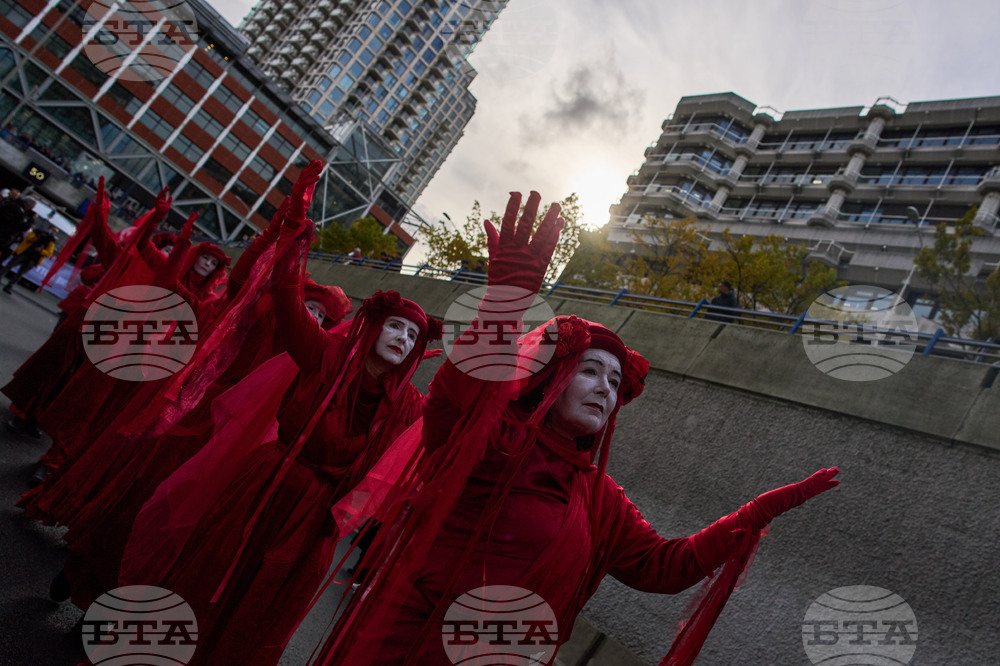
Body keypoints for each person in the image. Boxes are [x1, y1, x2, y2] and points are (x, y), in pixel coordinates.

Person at [315, 191, 840, 666]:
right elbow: (459, 396)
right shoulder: (492, 439)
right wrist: (504, 301)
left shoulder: (600, 495)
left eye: (614, 382)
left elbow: (664, 567)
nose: (605, 389)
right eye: (589, 371)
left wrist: (755, 513)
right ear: (552, 378)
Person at [118, 160, 442, 666]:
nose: (403, 339)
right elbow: (287, 296)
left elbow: (461, 408)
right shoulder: (324, 356)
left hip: (317, 524)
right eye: (397, 327)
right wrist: (291, 228)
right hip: (264, 489)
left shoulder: (409, 408)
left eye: (413, 337)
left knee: (262, 615)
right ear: (374, 326)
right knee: (209, 579)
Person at [2, 223, 57, 293]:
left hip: (34, 258)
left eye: (55, 231)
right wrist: (38, 236)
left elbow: (49, 253)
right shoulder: (37, 232)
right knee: (9, 265)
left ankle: (9, 285)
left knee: (20, 273)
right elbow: (28, 238)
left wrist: (41, 251)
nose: (53, 232)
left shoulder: (51, 240)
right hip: (25, 252)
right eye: (52, 229)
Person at [0, 196, 36, 266]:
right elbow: (22, 226)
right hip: (4, 234)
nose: (30, 209)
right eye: (31, 207)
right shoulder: (18, 210)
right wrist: (31, 221)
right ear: (27, 204)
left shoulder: (11, 203)